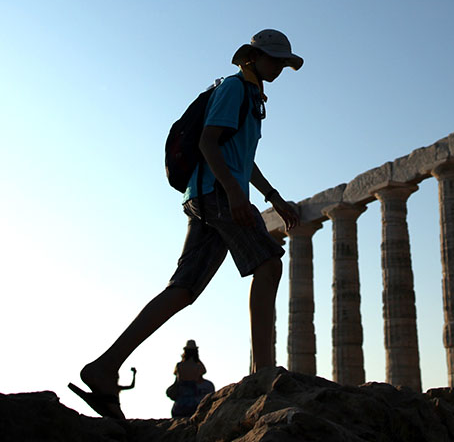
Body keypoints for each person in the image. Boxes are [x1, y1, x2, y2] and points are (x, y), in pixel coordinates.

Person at [69, 29, 303, 419]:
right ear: (251, 58)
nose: (280, 67)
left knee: (183, 289)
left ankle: (105, 366)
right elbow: (208, 144)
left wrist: (273, 196)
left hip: (206, 195)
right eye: (275, 60)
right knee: (269, 264)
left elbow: (241, 156)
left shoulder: (251, 96)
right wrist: (234, 195)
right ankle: (263, 373)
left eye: (283, 62)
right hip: (216, 193)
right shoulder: (234, 88)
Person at [170, 339, 215, 418]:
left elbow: (177, 379)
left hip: (180, 402)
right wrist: (197, 359)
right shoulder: (197, 366)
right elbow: (204, 371)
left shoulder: (179, 365)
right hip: (194, 401)